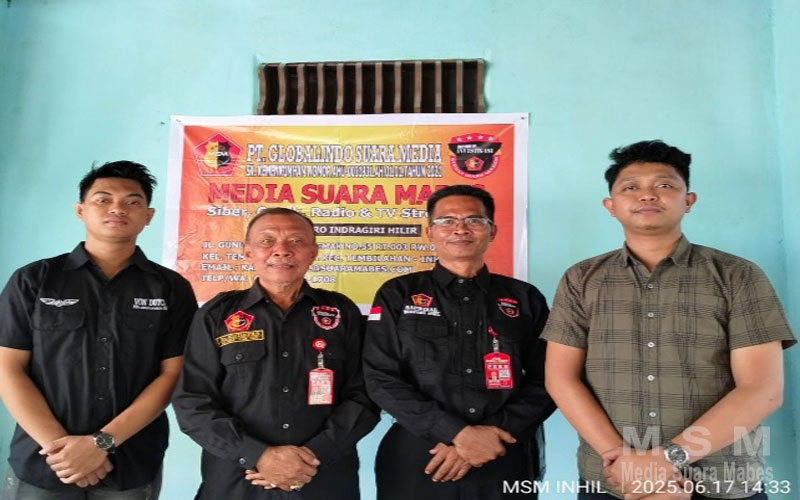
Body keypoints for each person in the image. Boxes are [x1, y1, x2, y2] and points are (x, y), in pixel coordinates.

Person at [541, 140, 796, 500]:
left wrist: (666, 459)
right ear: (611, 206)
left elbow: (762, 390)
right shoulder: (581, 279)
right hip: (613, 481)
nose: (647, 195)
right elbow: (561, 378)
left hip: (721, 481)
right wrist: (624, 462)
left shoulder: (738, 276)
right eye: (630, 187)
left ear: (688, 201)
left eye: (664, 185)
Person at [0, 161, 198, 499]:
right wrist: (64, 450)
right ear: (81, 210)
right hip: (45, 461)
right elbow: (8, 368)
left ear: (148, 216)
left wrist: (100, 444)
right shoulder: (34, 280)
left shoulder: (171, 288)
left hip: (132, 462)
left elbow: (172, 375)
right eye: (103, 199)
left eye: (132, 201)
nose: (117, 209)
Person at [363, 185, 555, 500]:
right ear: (430, 232)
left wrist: (489, 436)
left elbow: (548, 379)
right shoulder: (398, 294)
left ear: (492, 231)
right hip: (421, 455)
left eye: (474, 220)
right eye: (447, 221)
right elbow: (380, 377)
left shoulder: (524, 298)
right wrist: (457, 434)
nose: (461, 229)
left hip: (503, 452)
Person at [173, 207, 379, 499]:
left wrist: (313, 454)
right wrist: (257, 455)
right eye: (267, 241)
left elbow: (365, 394)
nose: (282, 250)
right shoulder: (217, 315)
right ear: (248, 252)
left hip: (323, 478)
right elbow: (193, 401)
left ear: (313, 252)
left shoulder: (340, 312)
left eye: (296, 241)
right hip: (239, 481)